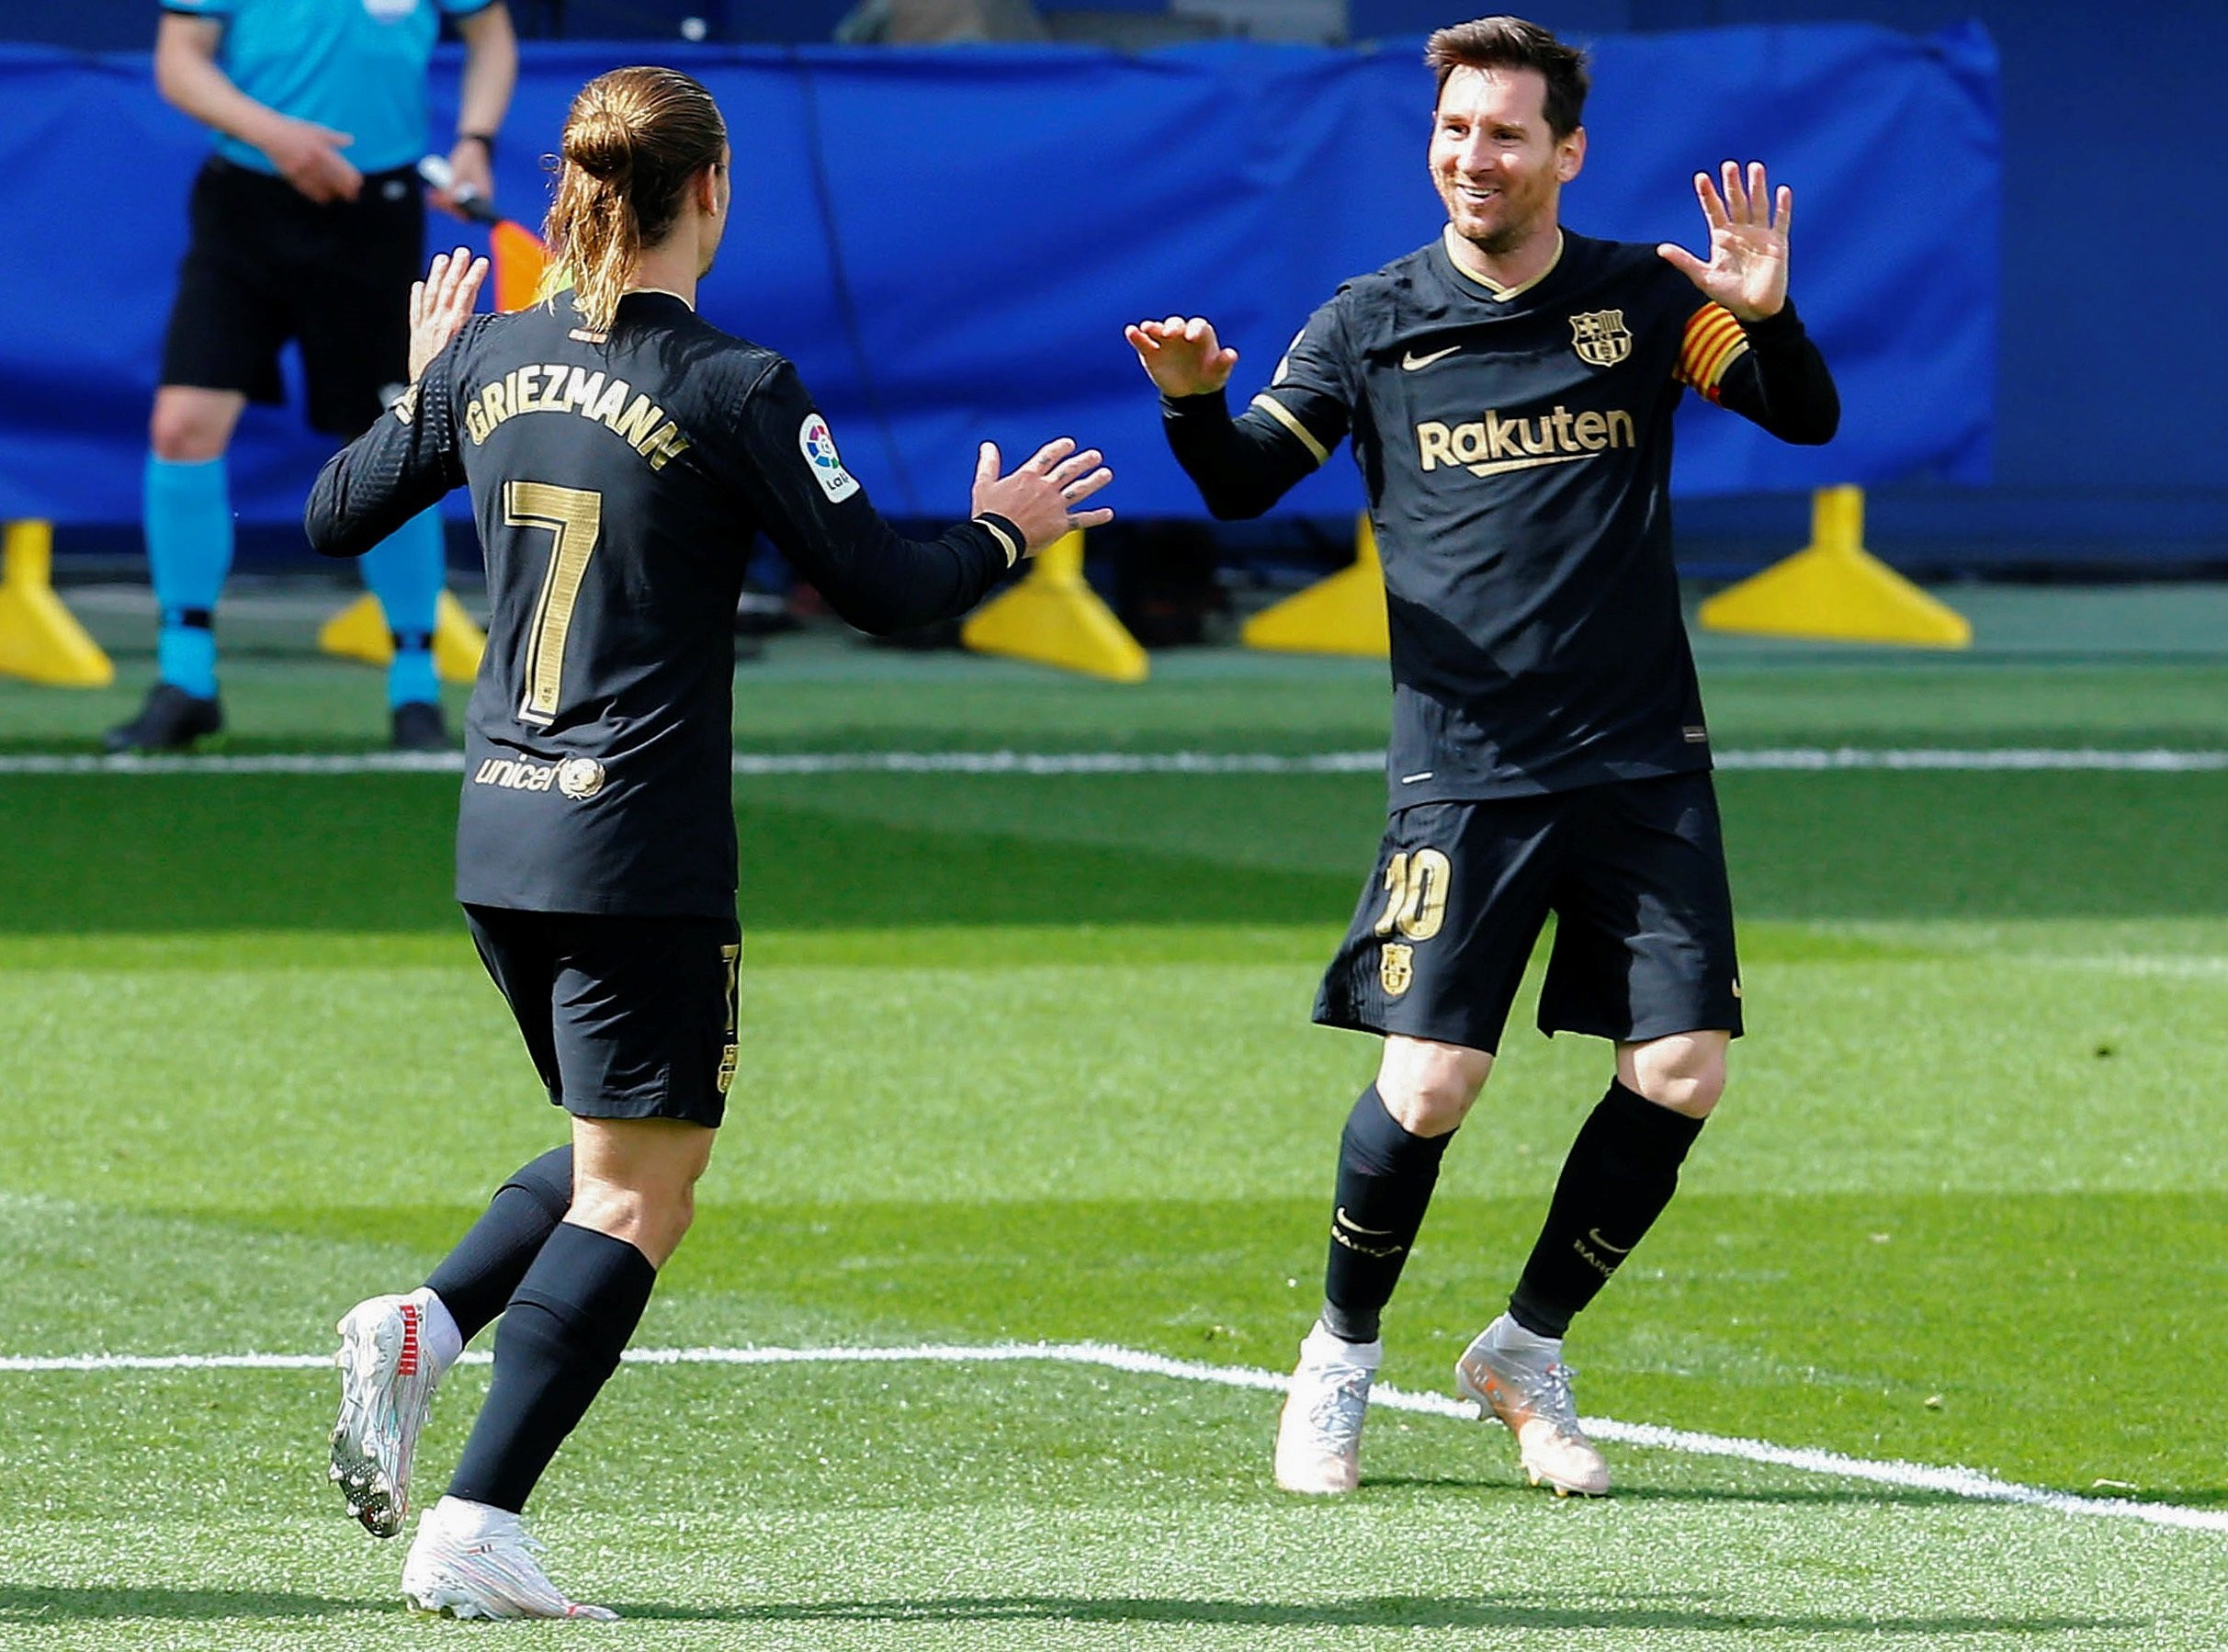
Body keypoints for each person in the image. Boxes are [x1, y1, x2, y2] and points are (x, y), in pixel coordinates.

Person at [305, 65, 1113, 1617]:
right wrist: (1010, 528)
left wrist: (419, 389)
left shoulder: (487, 355)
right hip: (632, 841)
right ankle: (478, 1519)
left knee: (627, 1143)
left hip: (499, 832)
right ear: (712, 194)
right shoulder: (736, 382)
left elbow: (341, 512)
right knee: (643, 1191)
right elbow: (878, 580)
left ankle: (427, 1324)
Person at [1126, 14, 1838, 1499]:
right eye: (1456, 131)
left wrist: (1767, 317)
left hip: (1642, 757)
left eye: (1505, 134)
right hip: (1463, 768)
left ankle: (1524, 1345)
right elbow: (1252, 480)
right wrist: (1194, 402)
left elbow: (1801, 412)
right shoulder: (1371, 316)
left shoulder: (1649, 296)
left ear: (1565, 154)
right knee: (1435, 1078)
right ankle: (1339, 1353)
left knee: (1684, 1067)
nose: (1474, 157)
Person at [107, 0, 517, 754]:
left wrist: (474, 141)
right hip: (244, 202)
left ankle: (414, 688)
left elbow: (490, 35)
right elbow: (179, 59)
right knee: (182, 426)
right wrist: (276, 135)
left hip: (374, 216)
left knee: (390, 439)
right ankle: (186, 678)